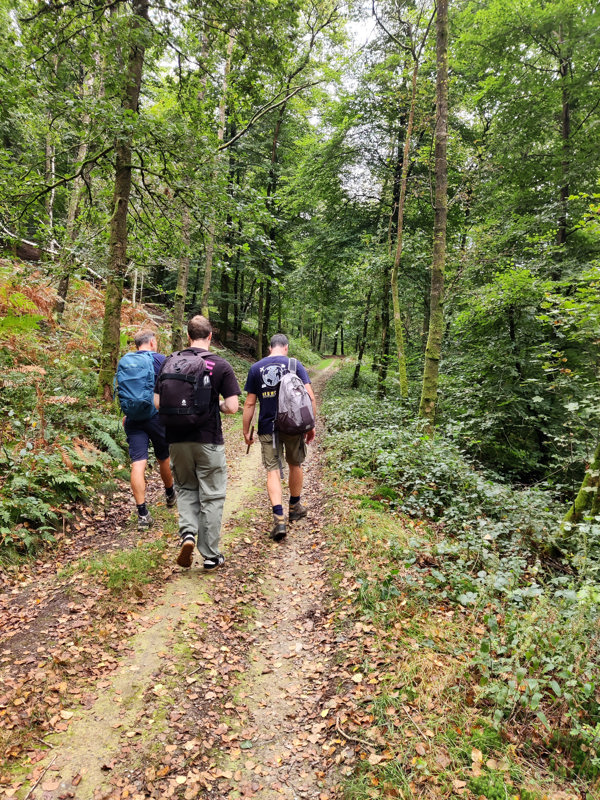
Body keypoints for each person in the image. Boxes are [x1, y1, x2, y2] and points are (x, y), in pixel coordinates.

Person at [155, 315, 240, 570]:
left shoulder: (171, 362)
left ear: (188, 336)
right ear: (210, 336)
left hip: (176, 440)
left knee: (186, 489)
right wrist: (217, 404)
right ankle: (211, 555)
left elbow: (158, 403)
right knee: (212, 496)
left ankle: (188, 534)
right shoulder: (220, 365)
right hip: (208, 440)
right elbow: (233, 407)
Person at [243, 334, 316, 542]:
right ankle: (294, 507)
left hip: (268, 426)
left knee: (272, 470)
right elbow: (310, 396)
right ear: (286, 347)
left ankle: (279, 519)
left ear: (269, 348)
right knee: (295, 464)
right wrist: (311, 425)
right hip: (293, 425)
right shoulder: (294, 364)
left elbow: (249, 404)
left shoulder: (256, 368)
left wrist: (246, 431)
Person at [120, 330, 176, 530]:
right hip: (156, 416)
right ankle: (170, 494)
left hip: (133, 418)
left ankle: (143, 514)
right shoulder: (161, 360)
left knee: (138, 463)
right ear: (152, 342)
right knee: (163, 457)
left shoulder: (126, 361)